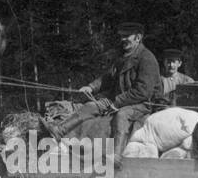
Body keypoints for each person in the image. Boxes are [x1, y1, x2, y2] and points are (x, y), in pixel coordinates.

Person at [46, 21, 162, 165]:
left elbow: (143, 91)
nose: (123, 39)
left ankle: (116, 155)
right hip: (120, 99)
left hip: (142, 103)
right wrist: (91, 87)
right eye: (122, 36)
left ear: (138, 38)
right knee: (90, 106)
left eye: (127, 36)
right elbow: (107, 77)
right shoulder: (122, 57)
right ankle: (59, 130)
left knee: (122, 115)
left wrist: (117, 103)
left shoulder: (147, 59)